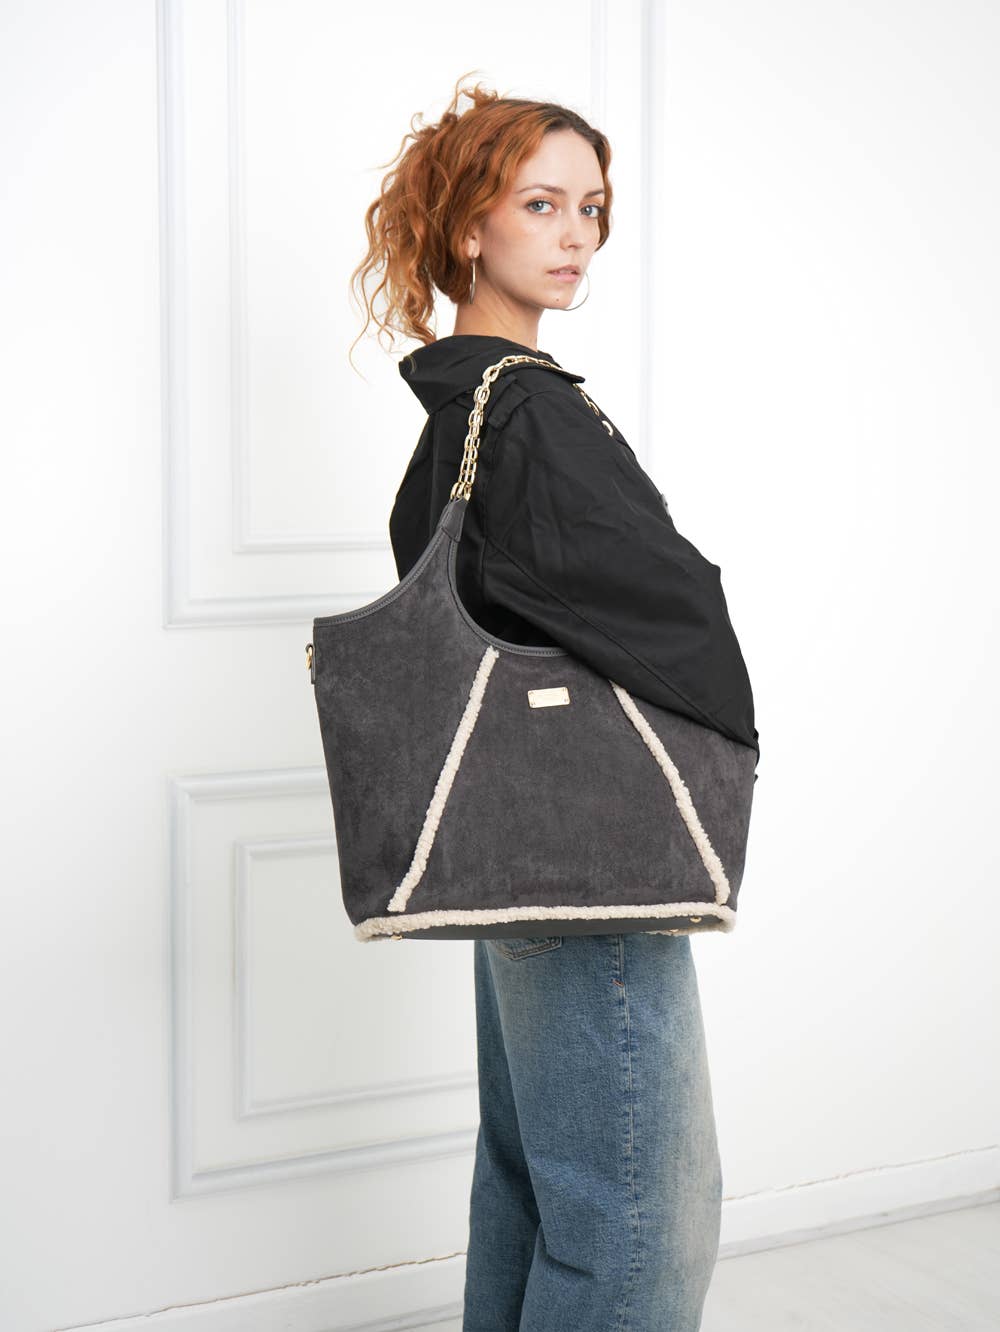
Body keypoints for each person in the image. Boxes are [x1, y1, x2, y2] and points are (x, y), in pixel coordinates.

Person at [350, 74, 759, 1331]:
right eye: (539, 204)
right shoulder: (528, 410)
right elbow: (663, 599)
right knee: (641, 1214)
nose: (575, 233)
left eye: (589, 207)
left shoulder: (462, 411)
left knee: (537, 1184)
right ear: (469, 227)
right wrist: (730, 721)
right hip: (592, 856)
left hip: (512, 850)